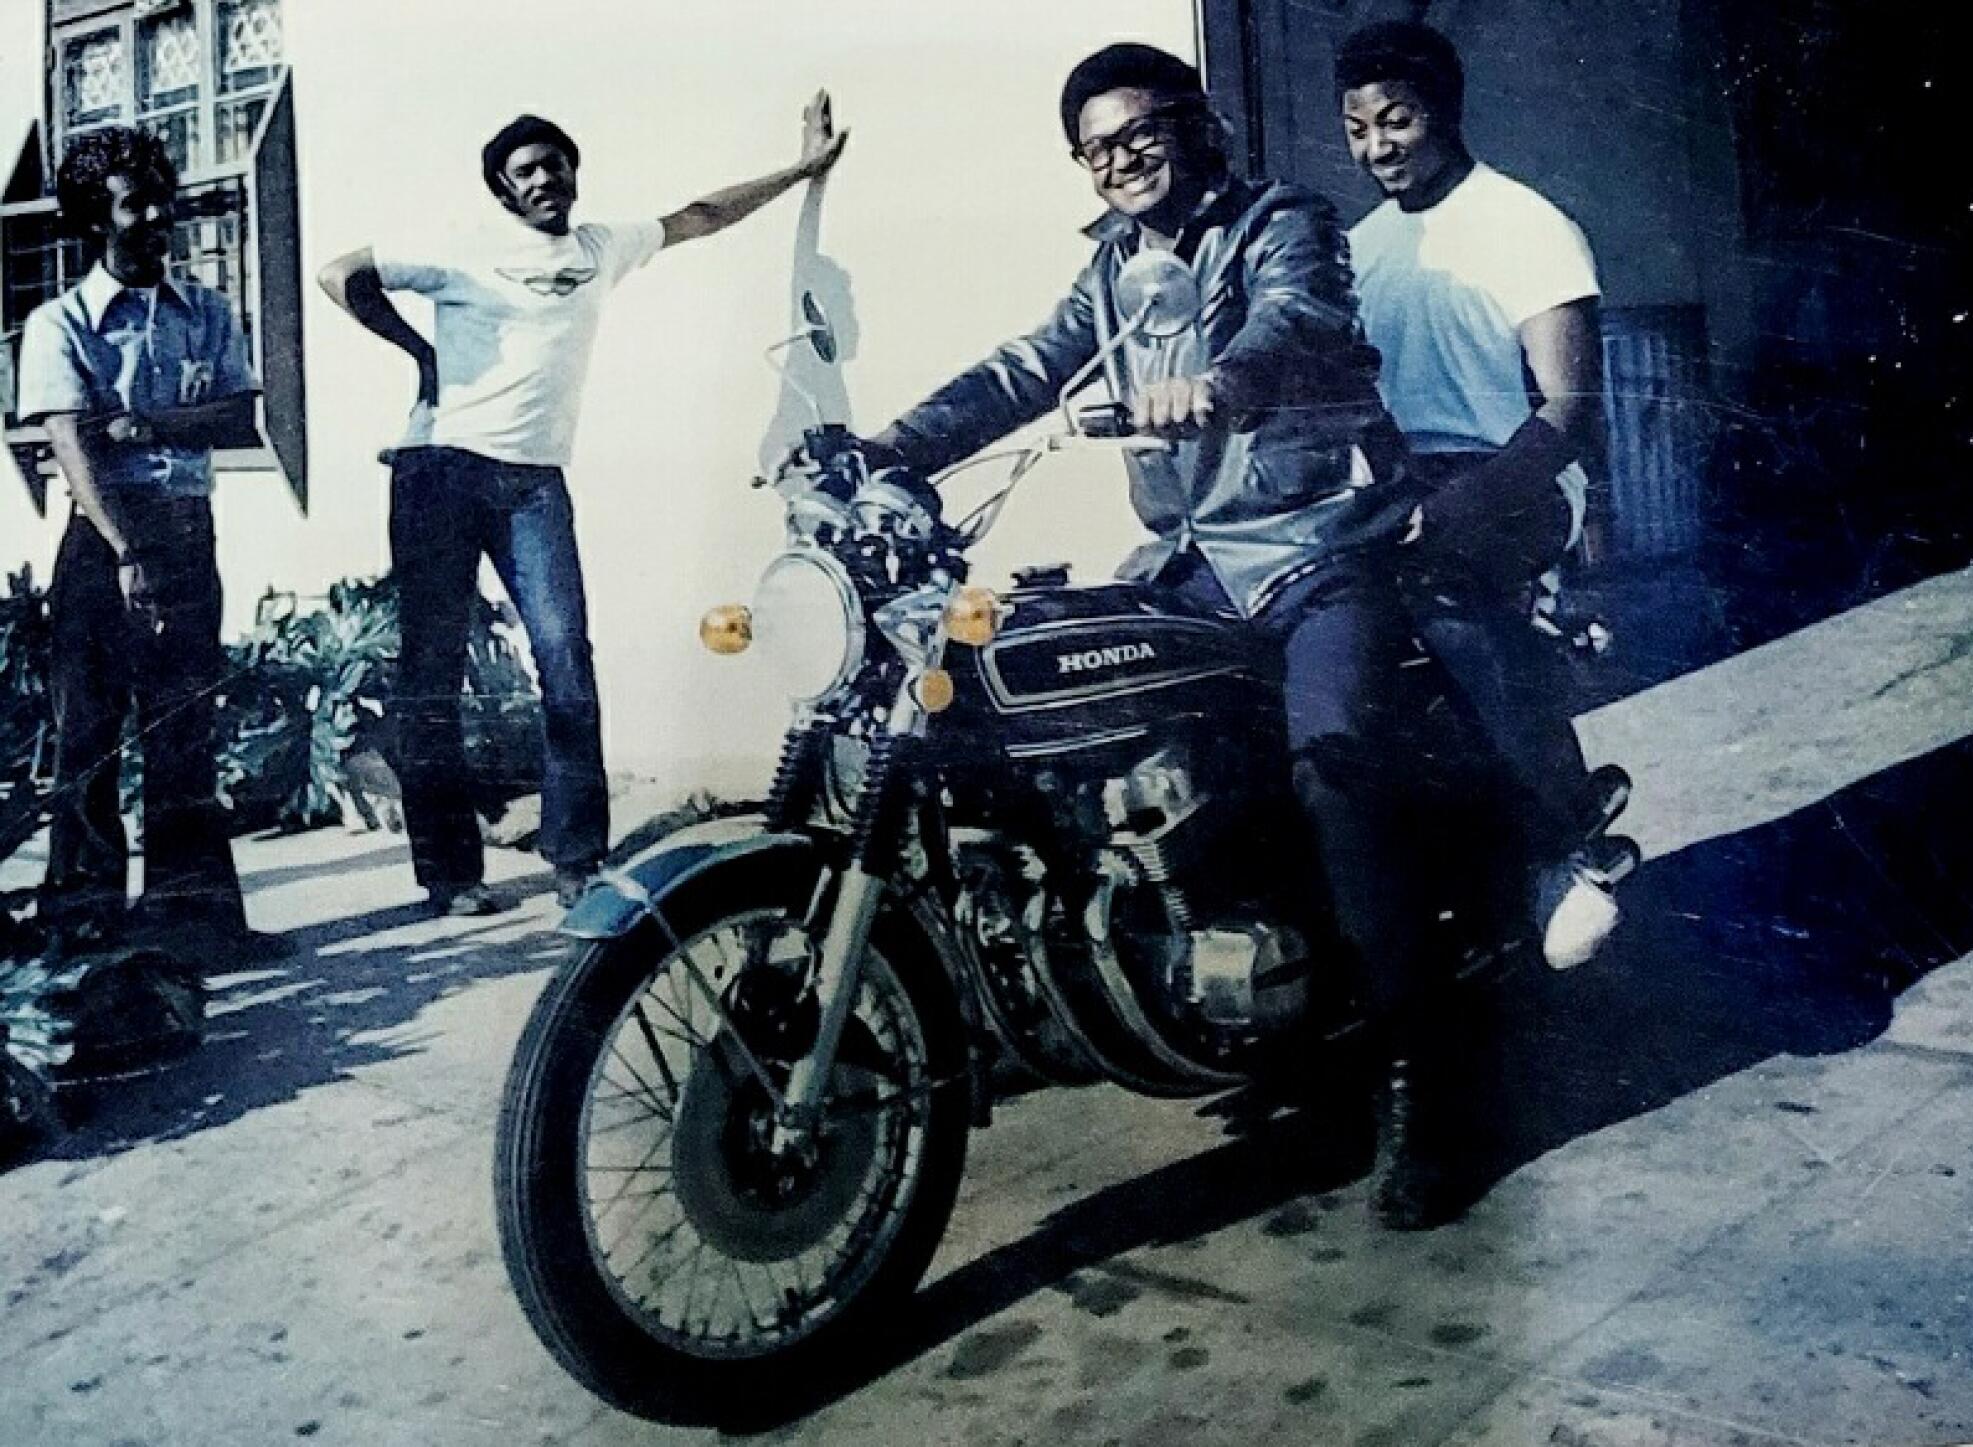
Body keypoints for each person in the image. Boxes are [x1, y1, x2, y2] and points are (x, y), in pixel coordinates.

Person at [864, 43, 1459, 1226]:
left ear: (1195, 130)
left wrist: (1222, 385)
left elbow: (1295, 320)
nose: (1119, 163)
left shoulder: (1282, 221)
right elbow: (1024, 369)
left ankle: (1419, 1081)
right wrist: (889, 448)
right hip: (1189, 566)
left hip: (1312, 548)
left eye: (1139, 136)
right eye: (1094, 150)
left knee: (1332, 767)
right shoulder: (1111, 271)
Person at [320, 95, 848, 915]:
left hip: (534, 482)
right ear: (502, 190)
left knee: (566, 660)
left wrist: (803, 167)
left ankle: (577, 859)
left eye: (554, 164)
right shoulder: (461, 248)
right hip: (441, 474)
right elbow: (338, 273)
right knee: (432, 676)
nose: (544, 180)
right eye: (524, 171)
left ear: (573, 174)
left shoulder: (600, 247)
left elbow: (701, 215)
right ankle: (451, 875)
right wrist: (420, 351)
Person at [1337, 19, 1623, 971]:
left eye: (1397, 121)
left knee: (1436, 582)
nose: (1377, 147)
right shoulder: (1361, 247)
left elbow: (1569, 410)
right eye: (1357, 129)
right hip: (1400, 482)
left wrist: (1457, 506)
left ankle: (1566, 827)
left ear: (1442, 111)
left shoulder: (1526, 223)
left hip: (1521, 477)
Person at [16, 127, 274, 960]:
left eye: (161, 198)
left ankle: (195, 928)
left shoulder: (204, 313)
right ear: (100, 219)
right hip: (102, 540)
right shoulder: (59, 325)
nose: (157, 216)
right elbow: (77, 448)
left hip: (189, 532)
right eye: (136, 204)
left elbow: (239, 415)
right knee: (89, 736)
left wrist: (149, 422)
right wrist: (127, 552)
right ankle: (83, 933)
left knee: (184, 730)